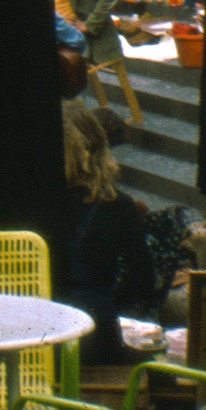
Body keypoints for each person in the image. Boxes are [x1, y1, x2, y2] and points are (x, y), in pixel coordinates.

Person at [61, 101, 155, 364]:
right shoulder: (119, 206)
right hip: (95, 337)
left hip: (43, 335)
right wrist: (106, 304)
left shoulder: (35, 202)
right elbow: (144, 282)